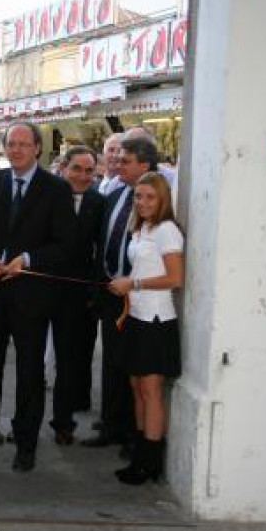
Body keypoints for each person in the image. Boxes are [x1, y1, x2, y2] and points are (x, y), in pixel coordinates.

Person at [0, 121, 76, 472]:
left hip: (31, 297)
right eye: (10, 144)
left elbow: (65, 245)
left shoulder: (56, 189)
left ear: (37, 148)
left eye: (23, 144)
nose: (15, 150)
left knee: (29, 373)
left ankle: (25, 443)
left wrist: (26, 261)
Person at [84, 137, 160, 452]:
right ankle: (111, 425)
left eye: (125, 160)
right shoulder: (115, 195)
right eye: (116, 158)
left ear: (145, 165)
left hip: (138, 298)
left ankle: (133, 432)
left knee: (135, 368)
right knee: (112, 362)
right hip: (109, 290)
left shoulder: (154, 203)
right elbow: (104, 241)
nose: (117, 164)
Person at [108, 172, 184, 484]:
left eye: (150, 197)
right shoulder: (142, 228)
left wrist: (133, 283)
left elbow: (175, 279)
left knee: (151, 391)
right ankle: (139, 456)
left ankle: (150, 463)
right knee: (136, 388)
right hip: (136, 317)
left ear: (163, 199)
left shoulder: (167, 230)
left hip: (156, 321)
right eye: (138, 197)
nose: (142, 202)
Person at [48, 145, 105, 445]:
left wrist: (92, 290)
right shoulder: (47, 195)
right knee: (30, 362)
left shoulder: (100, 202)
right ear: (63, 167)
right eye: (77, 169)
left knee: (69, 362)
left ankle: (63, 422)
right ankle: (25, 422)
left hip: (77, 292)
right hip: (41, 287)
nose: (83, 176)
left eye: (89, 171)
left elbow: (101, 251)